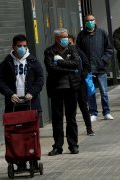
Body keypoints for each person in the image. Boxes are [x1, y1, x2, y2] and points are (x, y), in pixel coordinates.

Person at [0, 34, 44, 169]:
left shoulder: (33, 61)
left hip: (31, 105)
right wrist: (10, 94)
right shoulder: (6, 63)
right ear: (13, 47)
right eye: (19, 46)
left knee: (31, 134)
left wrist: (31, 93)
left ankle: (32, 158)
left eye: (24, 46)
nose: (22, 48)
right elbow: (0, 81)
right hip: (14, 106)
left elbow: (40, 79)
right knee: (16, 136)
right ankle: (20, 162)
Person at [44, 28, 80, 156]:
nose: (66, 39)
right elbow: (51, 69)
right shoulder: (49, 51)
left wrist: (60, 61)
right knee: (57, 119)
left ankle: (73, 145)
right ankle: (57, 146)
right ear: (57, 39)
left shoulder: (72, 49)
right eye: (63, 37)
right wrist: (68, 68)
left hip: (72, 87)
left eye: (66, 37)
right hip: (56, 88)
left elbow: (76, 63)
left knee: (71, 118)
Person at [77, 14, 114, 121]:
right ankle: (93, 112)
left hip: (101, 67)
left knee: (104, 92)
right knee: (90, 92)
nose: (90, 22)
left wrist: (103, 61)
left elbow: (109, 49)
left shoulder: (102, 33)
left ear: (95, 21)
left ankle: (106, 112)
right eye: (87, 21)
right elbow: (78, 52)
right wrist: (84, 64)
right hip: (88, 69)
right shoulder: (81, 36)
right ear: (85, 23)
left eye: (91, 20)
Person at [68, 34, 95, 136]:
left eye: (70, 42)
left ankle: (89, 128)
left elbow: (87, 65)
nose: (68, 45)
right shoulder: (63, 53)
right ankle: (71, 130)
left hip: (80, 83)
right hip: (69, 84)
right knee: (71, 108)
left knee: (83, 105)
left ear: (74, 42)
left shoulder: (79, 52)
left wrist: (82, 76)